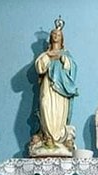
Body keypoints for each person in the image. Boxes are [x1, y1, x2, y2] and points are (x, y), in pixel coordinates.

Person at [31, 16, 78, 157]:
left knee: (59, 111)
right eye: (53, 34)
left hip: (61, 89)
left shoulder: (66, 55)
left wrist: (64, 60)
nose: (55, 36)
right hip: (48, 85)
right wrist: (48, 56)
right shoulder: (45, 54)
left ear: (62, 39)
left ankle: (58, 139)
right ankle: (47, 136)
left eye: (58, 34)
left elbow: (73, 69)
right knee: (45, 104)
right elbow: (39, 68)